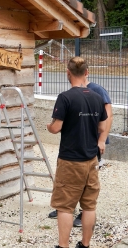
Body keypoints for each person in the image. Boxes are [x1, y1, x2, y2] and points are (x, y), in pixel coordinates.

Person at [46, 57, 107, 248]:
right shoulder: (97, 98)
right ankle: (85, 245)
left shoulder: (65, 97)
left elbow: (56, 128)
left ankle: (63, 246)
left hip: (70, 161)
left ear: (68, 73)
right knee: (89, 206)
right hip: (91, 160)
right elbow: (103, 126)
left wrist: (48, 126)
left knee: (64, 206)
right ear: (87, 73)